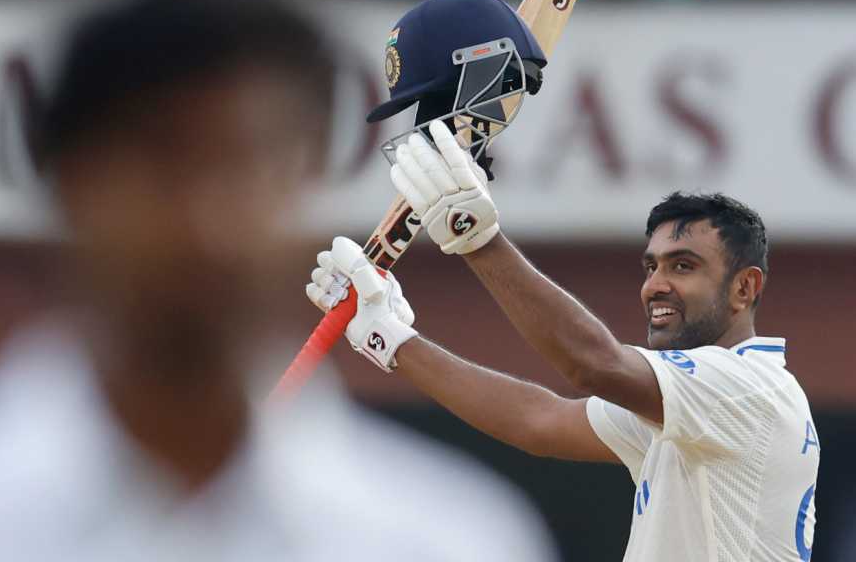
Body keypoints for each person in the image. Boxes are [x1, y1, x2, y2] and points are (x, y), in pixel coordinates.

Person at [0, 0, 556, 562]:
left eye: (246, 164)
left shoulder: (448, 538)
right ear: (66, 183)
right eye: (165, 162)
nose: (209, 222)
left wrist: (416, 321)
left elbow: (575, 393)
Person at [309, 133, 821, 558]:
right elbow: (539, 420)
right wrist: (392, 338)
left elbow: (594, 365)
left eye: (683, 266)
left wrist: (477, 239)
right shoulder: (701, 405)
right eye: (652, 266)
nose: (656, 285)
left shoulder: (743, 389)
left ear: (745, 288)